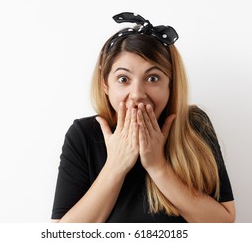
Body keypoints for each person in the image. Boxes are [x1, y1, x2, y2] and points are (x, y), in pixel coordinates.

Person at [51, 12, 235, 223]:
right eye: (123, 79)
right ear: (105, 85)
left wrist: (158, 166)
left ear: (170, 85)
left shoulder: (193, 124)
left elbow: (224, 223)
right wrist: (116, 166)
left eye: (153, 78)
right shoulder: (83, 134)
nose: (137, 93)